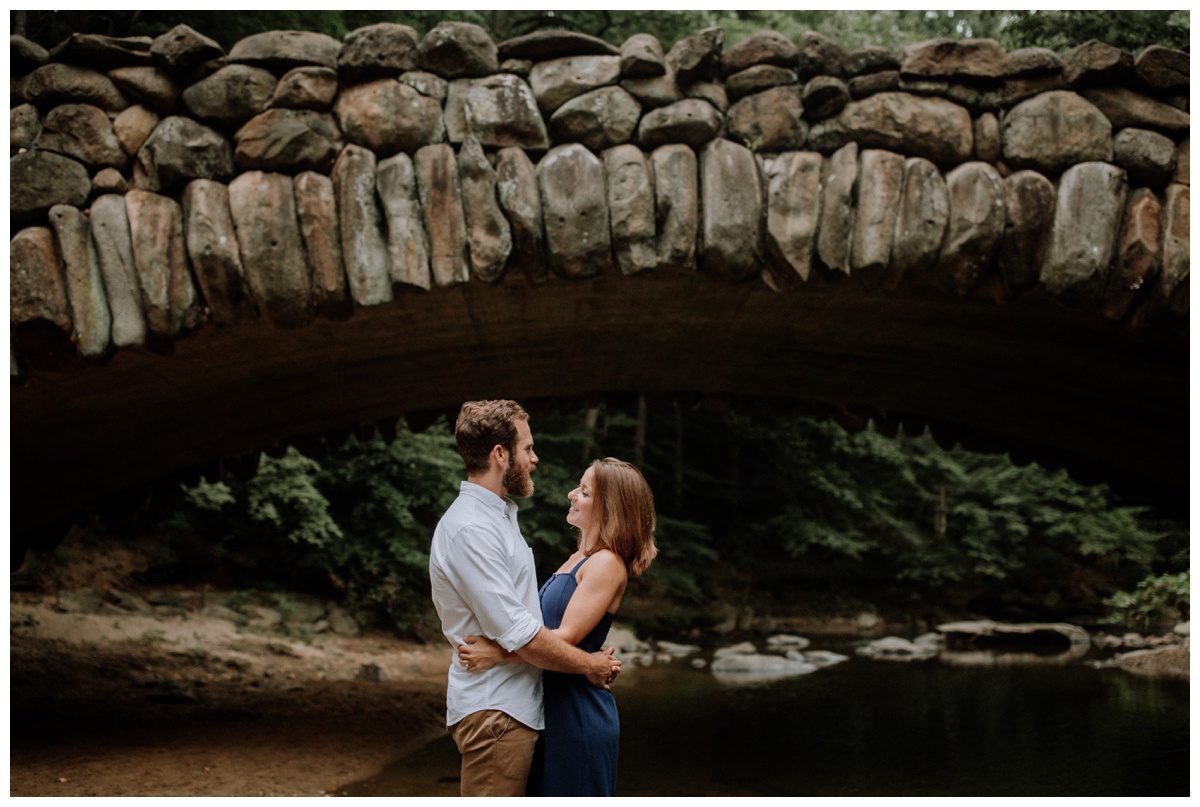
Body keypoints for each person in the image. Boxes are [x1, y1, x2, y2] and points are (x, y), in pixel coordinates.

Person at [429, 400, 621, 797]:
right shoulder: (472, 529)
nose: (535, 458)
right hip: (498, 709)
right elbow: (521, 631)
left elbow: (524, 624)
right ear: (500, 454)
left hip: (516, 706)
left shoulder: (496, 519)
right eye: (527, 448)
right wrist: (590, 664)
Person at [459, 456, 658, 796]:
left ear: (609, 508)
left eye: (584, 491)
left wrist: (497, 653)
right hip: (549, 706)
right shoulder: (580, 558)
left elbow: (565, 638)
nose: (570, 494)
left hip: (576, 713)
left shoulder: (607, 563)